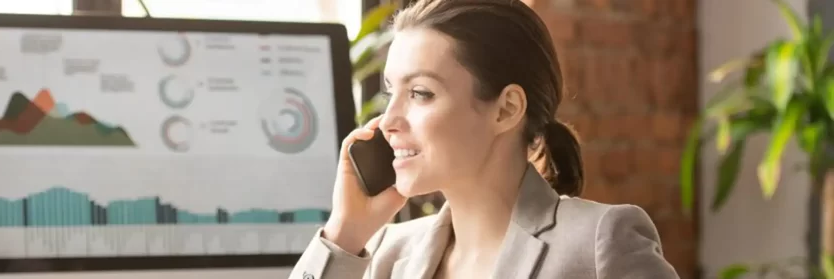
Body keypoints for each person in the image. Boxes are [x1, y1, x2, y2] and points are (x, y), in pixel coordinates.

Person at [289, 0, 680, 278]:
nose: (388, 120)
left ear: (507, 109)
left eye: (421, 93)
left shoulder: (600, 244)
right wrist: (344, 233)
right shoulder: (391, 253)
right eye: (392, 92)